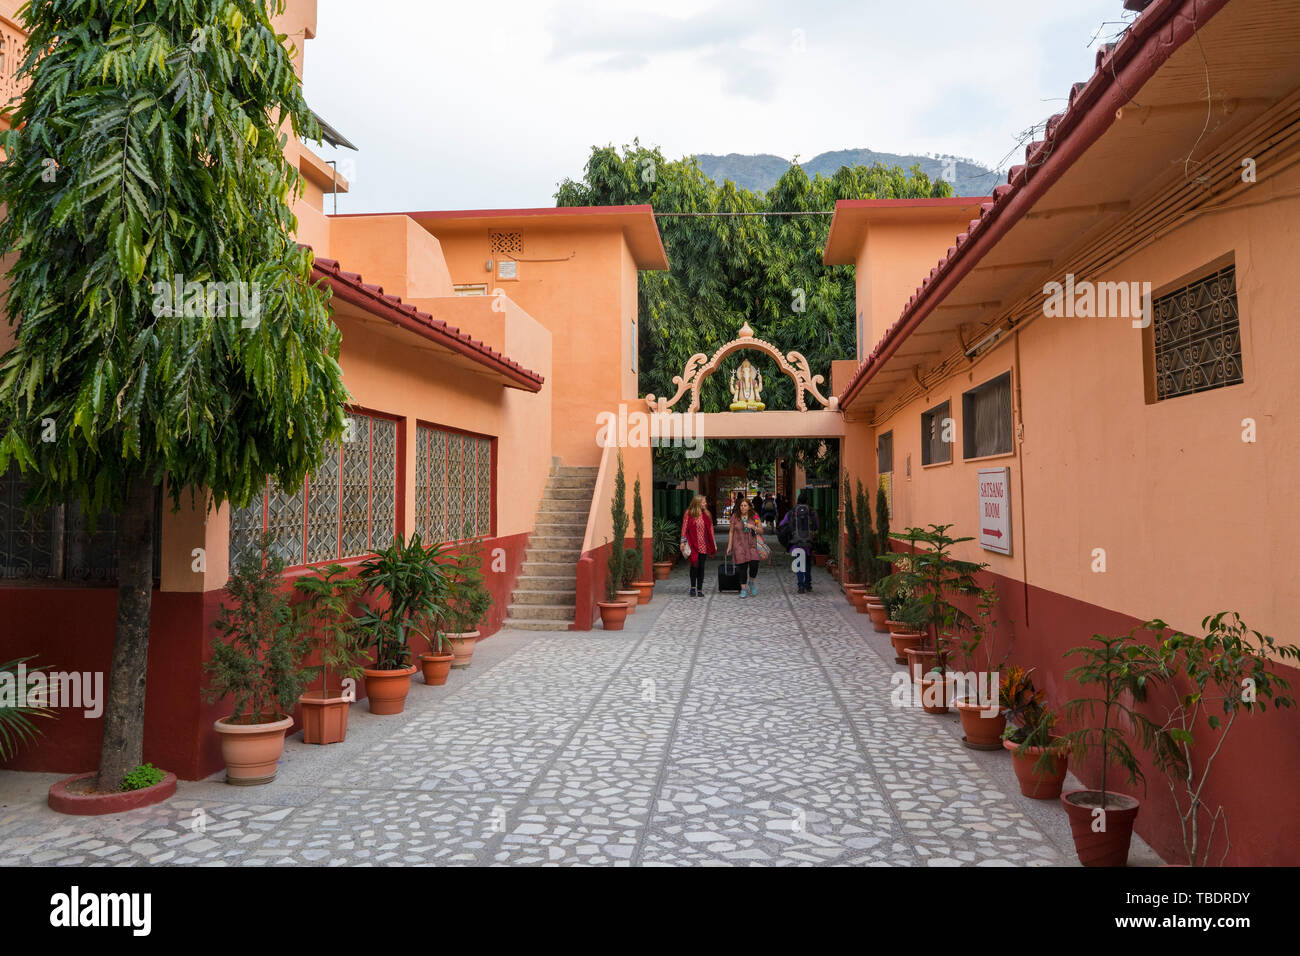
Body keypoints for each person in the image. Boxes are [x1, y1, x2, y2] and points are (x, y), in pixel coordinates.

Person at [779, 489, 819, 593]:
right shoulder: (811, 511)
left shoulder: (791, 512)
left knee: (799, 563)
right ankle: (808, 584)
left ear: (797, 500)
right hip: (808, 543)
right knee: (807, 563)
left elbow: (782, 524)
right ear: (807, 501)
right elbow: (817, 525)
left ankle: (800, 586)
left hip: (796, 542)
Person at [726, 493, 764, 599]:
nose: (743, 507)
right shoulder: (735, 516)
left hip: (751, 545)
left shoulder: (754, 515)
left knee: (754, 565)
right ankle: (743, 589)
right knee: (742, 568)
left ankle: (751, 582)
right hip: (739, 545)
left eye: (745, 505)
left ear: (749, 506)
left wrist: (753, 526)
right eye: (741, 505)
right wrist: (729, 545)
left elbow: (761, 530)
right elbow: (731, 532)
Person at [680, 495, 717, 598]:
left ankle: (700, 589)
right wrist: (682, 542)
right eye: (703, 502)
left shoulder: (707, 514)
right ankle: (693, 587)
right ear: (698, 502)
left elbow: (711, 530)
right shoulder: (689, 513)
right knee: (694, 565)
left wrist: (713, 543)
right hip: (692, 544)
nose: (705, 503)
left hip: (703, 545)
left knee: (701, 567)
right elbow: (684, 528)